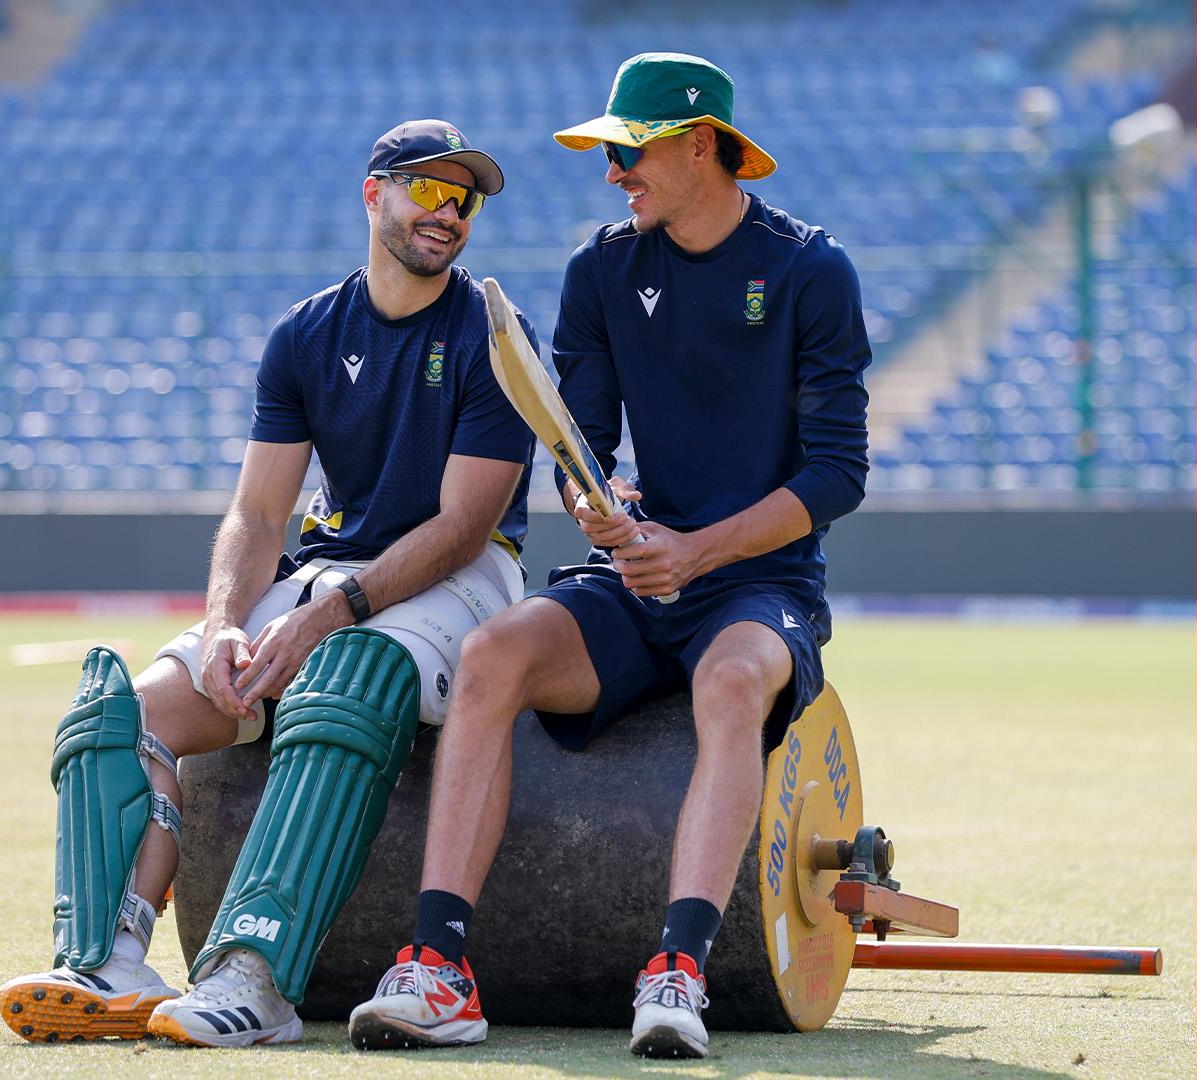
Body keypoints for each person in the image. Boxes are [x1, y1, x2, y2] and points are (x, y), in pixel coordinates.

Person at [347, 53, 871, 1059]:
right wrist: (598, 504)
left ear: (701, 146)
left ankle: (678, 972)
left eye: (630, 151)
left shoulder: (812, 270)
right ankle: (438, 967)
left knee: (731, 682)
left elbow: (838, 475)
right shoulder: (599, 270)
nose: (613, 172)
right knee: (494, 654)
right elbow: (578, 444)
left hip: (761, 586)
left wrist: (697, 551)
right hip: (636, 578)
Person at [0, 120, 536, 1047]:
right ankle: (106, 961)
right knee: (123, 711)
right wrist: (223, 624)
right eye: (427, 188)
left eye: (465, 199)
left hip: (465, 575)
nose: (448, 212)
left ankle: (255, 977)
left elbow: (461, 526)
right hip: (333, 567)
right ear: (373, 194)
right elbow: (256, 512)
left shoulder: (494, 334)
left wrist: (327, 616)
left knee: (346, 681)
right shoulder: (305, 333)